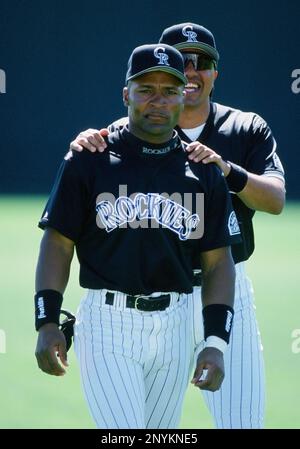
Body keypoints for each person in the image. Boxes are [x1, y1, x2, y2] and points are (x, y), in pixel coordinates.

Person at [70, 23, 286, 429]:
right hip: (154, 293)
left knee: (242, 423)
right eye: (180, 61)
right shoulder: (126, 131)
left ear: (215, 72)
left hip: (225, 286)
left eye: (202, 62)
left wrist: (226, 169)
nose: (190, 70)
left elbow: (275, 198)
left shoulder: (244, 127)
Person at [34, 43, 240, 429]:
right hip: (109, 322)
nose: (158, 101)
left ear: (183, 96)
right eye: (146, 89)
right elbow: (58, 242)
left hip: (177, 323)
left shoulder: (203, 170)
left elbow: (218, 263)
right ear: (126, 93)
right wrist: (46, 320)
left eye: (169, 90)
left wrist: (215, 342)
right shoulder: (90, 157)